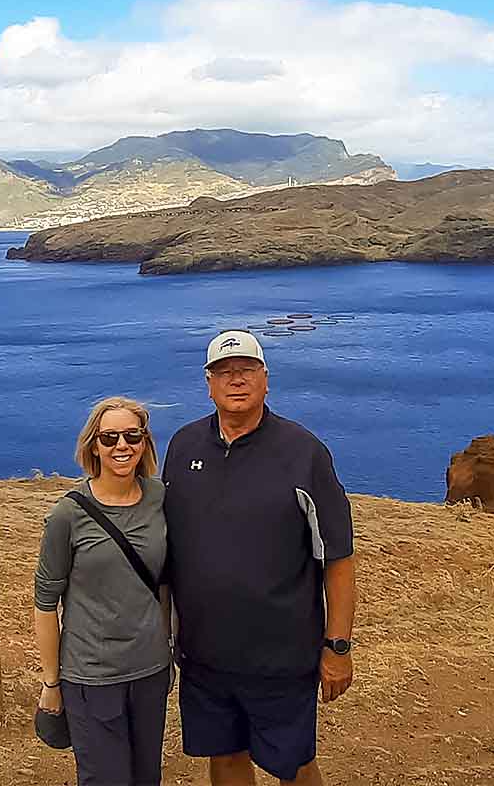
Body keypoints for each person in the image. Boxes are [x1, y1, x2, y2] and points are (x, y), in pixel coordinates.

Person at [162, 330, 356, 786]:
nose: (236, 380)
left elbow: (339, 559)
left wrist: (338, 646)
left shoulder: (303, 452)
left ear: (266, 379)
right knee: (225, 755)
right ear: (208, 383)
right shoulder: (183, 446)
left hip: (282, 655)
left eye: (247, 370)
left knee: (294, 764)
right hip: (203, 653)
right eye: (224, 372)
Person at [34, 396, 173, 786]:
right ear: (93, 445)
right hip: (91, 678)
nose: (121, 446)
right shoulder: (68, 514)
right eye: (109, 438)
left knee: (147, 778)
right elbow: (45, 603)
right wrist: (51, 683)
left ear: (145, 442)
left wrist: (168, 645)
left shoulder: (161, 499)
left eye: (132, 435)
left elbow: (164, 582)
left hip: (150, 671)